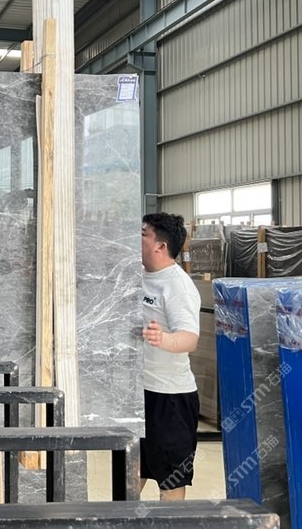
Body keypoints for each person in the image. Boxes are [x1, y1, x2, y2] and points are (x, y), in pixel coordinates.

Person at [139, 212, 201, 501]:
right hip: (140, 394)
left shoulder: (177, 285)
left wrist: (163, 339)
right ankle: (123, 520)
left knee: (171, 479)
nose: (136, 239)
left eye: (143, 235)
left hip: (170, 398)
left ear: (160, 246)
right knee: (133, 467)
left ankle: (170, 521)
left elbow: (190, 338)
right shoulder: (137, 277)